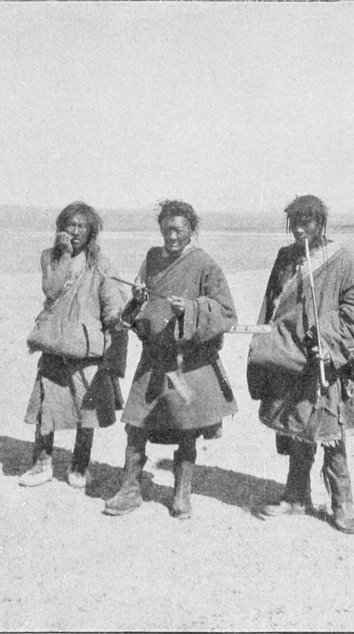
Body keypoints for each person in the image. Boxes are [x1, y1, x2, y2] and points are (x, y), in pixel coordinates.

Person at [246, 195, 354, 534]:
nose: (298, 231)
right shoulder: (285, 258)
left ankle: (342, 505)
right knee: (297, 427)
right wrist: (268, 348)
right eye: (294, 224)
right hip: (290, 357)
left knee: (331, 434)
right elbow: (272, 306)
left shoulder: (343, 261)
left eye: (306, 223)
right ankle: (296, 497)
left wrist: (330, 335)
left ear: (320, 223)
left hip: (325, 360)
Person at [104, 200, 238, 519]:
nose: (172, 236)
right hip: (153, 359)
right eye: (166, 230)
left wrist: (190, 308)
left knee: (186, 428)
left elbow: (227, 312)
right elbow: (140, 303)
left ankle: (181, 494)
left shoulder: (204, 264)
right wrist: (138, 299)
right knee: (136, 425)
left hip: (185, 364)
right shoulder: (152, 258)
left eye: (179, 229)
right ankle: (130, 489)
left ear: (191, 229)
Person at [19, 202, 129, 489]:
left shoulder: (101, 264)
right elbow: (51, 289)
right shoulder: (50, 257)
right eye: (71, 225)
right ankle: (42, 463)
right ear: (61, 228)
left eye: (83, 226)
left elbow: (113, 305)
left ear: (92, 231)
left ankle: (80, 466)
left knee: (86, 412)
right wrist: (66, 254)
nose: (76, 231)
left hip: (87, 351)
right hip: (55, 345)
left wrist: (115, 324)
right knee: (46, 410)